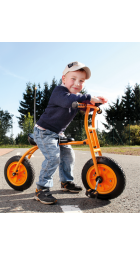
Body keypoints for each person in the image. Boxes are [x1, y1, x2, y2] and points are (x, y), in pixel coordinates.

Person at [33, 61, 108, 205]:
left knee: (68, 155)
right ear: (64, 79)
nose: (77, 83)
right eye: (73, 79)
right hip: (44, 132)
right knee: (53, 157)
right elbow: (68, 101)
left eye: (81, 81)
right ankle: (41, 189)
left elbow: (83, 107)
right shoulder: (59, 92)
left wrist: (95, 105)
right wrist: (89, 97)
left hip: (58, 133)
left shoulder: (76, 97)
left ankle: (66, 182)